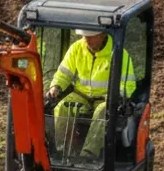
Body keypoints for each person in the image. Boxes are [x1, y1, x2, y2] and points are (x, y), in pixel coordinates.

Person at [47, 29, 136, 159]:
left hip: (105, 97)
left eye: (90, 36)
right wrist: (56, 86)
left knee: (103, 111)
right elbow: (64, 73)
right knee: (63, 107)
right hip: (81, 94)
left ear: (102, 35)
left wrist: (115, 95)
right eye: (84, 36)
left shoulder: (119, 54)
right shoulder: (77, 48)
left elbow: (128, 84)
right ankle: (62, 151)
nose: (86, 39)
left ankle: (88, 155)